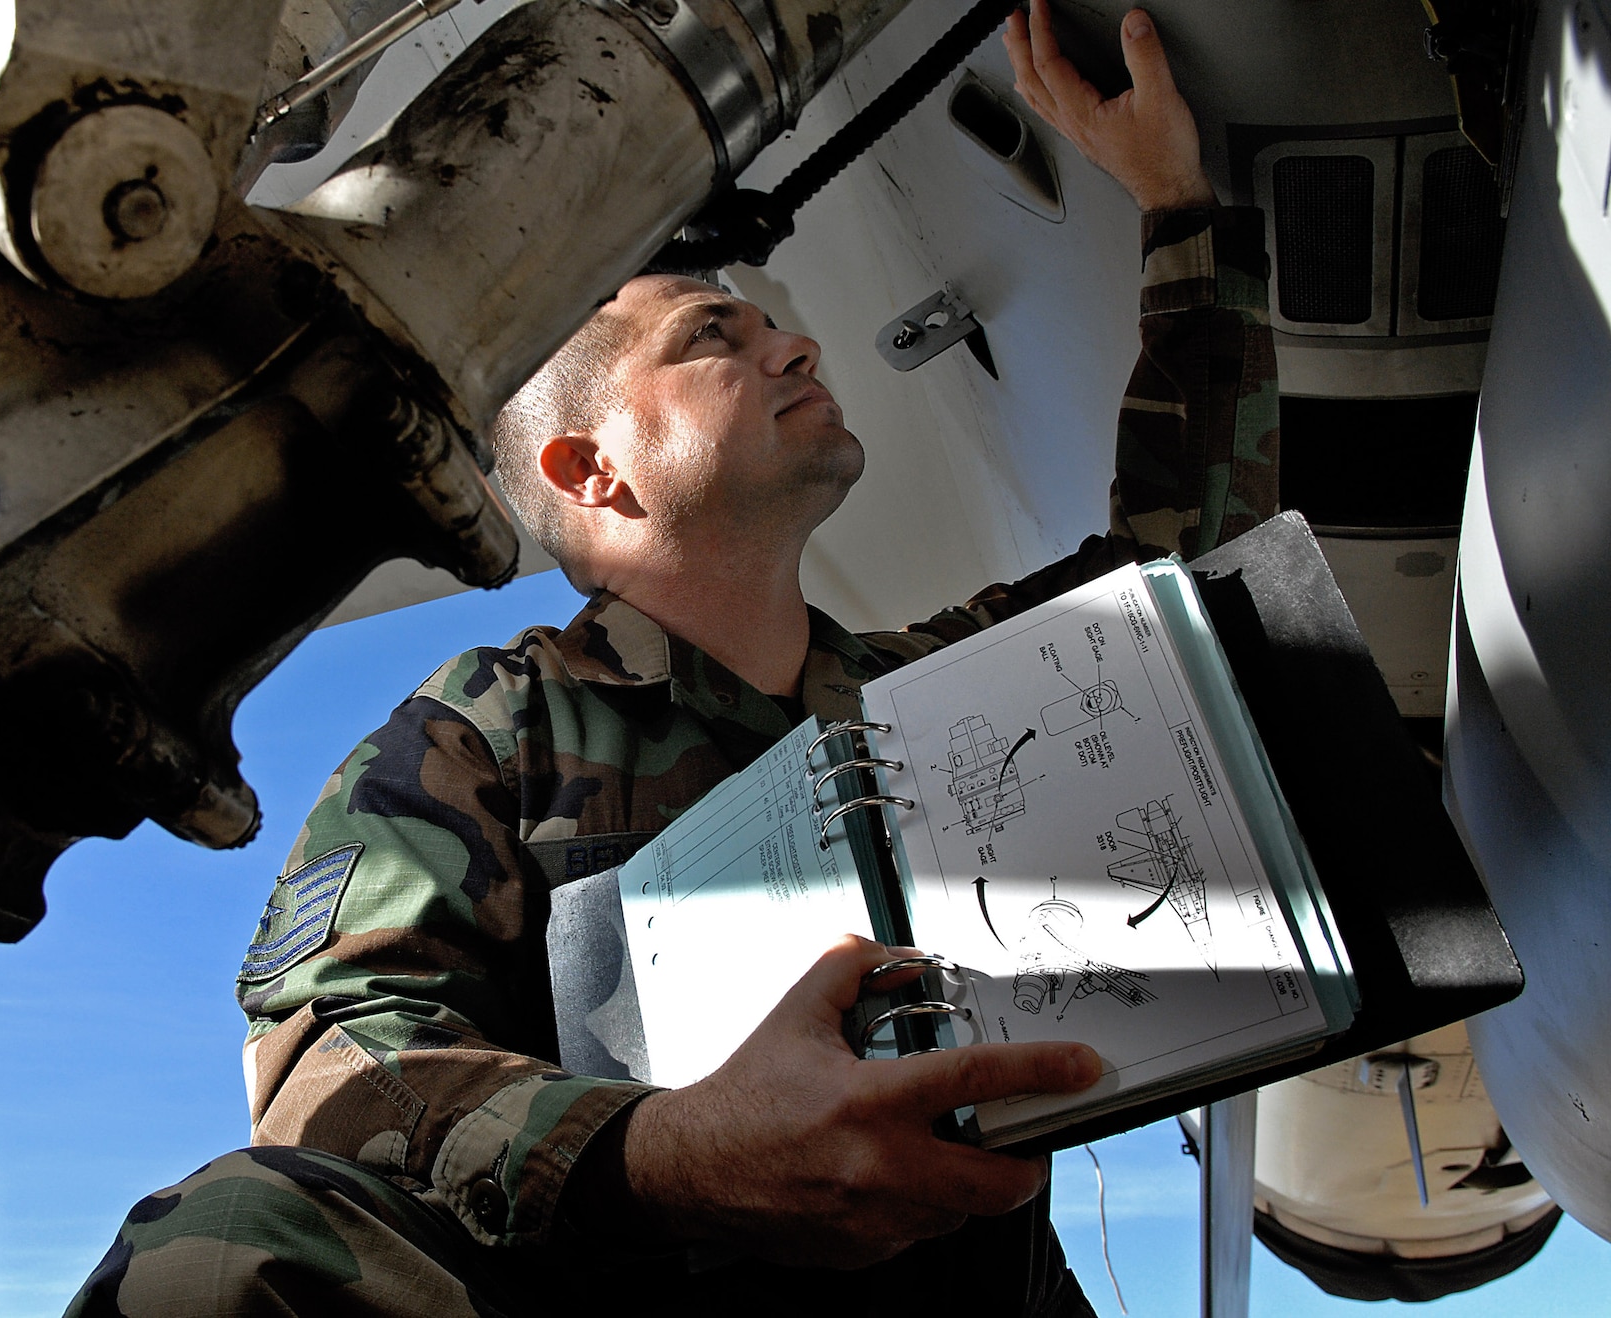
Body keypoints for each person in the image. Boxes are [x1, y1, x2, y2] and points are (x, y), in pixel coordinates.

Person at [68, 4, 1276, 1314]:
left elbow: (1185, 588)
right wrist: (666, 1155)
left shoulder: (928, 697)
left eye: (767, 329)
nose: (795, 343)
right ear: (591, 470)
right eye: (716, 337)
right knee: (230, 1243)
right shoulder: (487, 731)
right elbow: (337, 1053)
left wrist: (1176, 204)